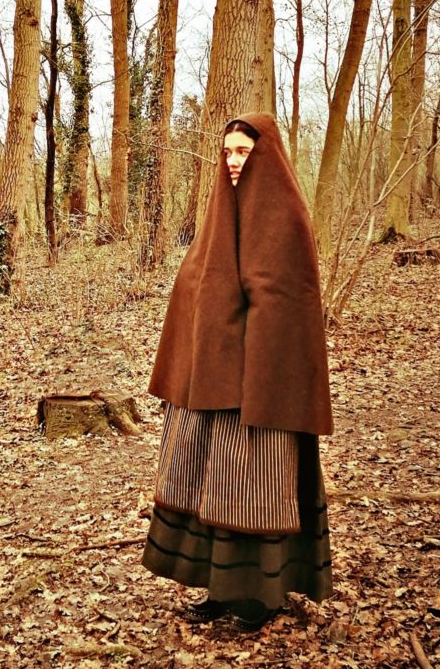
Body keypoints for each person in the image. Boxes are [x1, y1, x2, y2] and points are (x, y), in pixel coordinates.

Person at [142, 112, 333, 632]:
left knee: (254, 487)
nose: (232, 161)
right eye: (226, 151)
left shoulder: (285, 215)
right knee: (207, 484)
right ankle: (219, 588)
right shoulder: (219, 212)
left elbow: (286, 305)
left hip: (260, 392)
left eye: (242, 152)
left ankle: (259, 595)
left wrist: (258, 373)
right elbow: (199, 289)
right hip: (209, 385)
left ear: (262, 156)